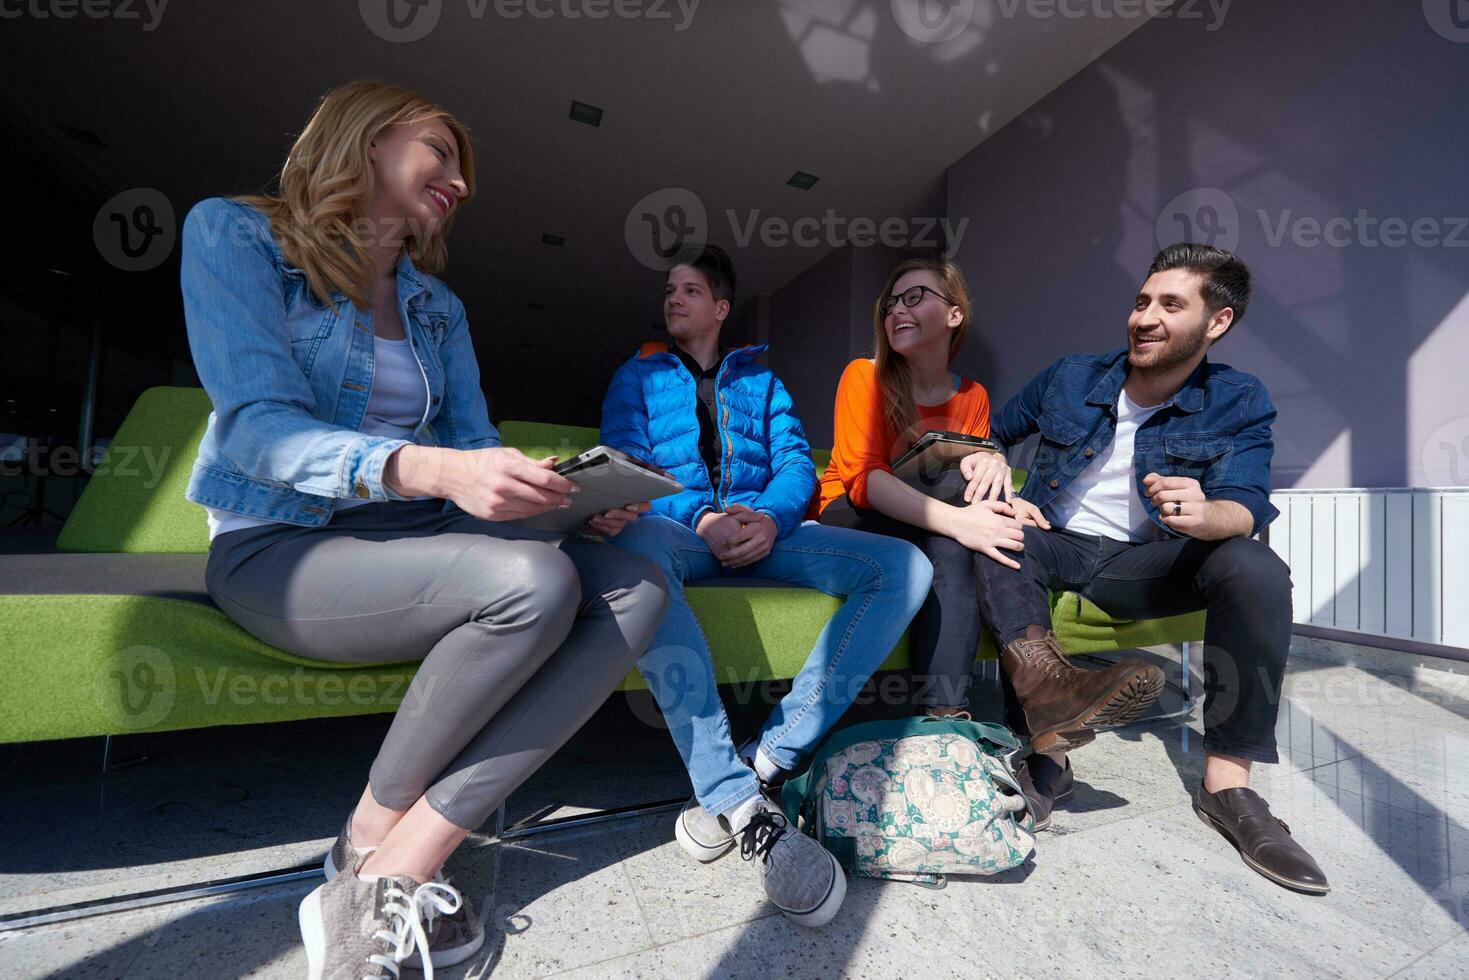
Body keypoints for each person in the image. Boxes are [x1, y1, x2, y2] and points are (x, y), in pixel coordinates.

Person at [181, 80, 669, 980]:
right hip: (277, 544)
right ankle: (364, 842)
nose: (460, 182)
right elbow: (257, 423)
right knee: (532, 585)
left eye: (462, 167)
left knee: (639, 582)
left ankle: (396, 866)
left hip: (409, 536)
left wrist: (558, 497)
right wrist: (432, 469)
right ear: (365, 138)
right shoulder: (236, 234)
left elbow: (473, 450)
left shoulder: (437, 308)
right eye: (440, 153)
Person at [975, 242, 1328, 893]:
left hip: (1147, 561)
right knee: (993, 530)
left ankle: (1227, 788)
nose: (1144, 317)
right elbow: (989, 430)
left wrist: (1207, 512)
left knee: (1254, 566)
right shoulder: (1071, 377)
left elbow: (1248, 506)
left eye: (1170, 304)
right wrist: (992, 462)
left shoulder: (1238, 399)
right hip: (1055, 537)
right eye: (1141, 300)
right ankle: (1049, 746)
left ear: (1214, 323)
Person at [600, 244, 933, 927]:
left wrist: (773, 519)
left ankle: (769, 757)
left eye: (689, 289)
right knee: (632, 547)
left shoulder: (762, 382)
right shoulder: (635, 377)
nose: (673, 298)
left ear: (720, 308)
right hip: (682, 530)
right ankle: (733, 795)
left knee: (903, 567)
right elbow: (622, 473)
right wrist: (701, 514)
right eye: (669, 289)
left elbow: (793, 464)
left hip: (764, 529)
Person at [814, 257, 1166, 827]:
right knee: (964, 533)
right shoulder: (865, 375)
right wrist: (966, 517)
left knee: (961, 546)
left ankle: (945, 726)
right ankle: (1043, 691)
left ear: (954, 314)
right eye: (891, 302)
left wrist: (998, 497)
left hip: (930, 517)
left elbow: (975, 474)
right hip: (849, 511)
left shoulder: (972, 394)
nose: (897, 309)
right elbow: (863, 480)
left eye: (915, 296)